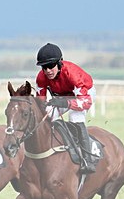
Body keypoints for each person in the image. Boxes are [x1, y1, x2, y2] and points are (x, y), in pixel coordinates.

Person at [35, 42, 96, 173]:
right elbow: (41, 101)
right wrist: (43, 106)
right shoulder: (41, 77)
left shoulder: (73, 74)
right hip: (63, 96)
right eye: (44, 67)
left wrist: (67, 103)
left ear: (60, 63)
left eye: (51, 66)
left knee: (75, 116)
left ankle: (87, 159)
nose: (47, 71)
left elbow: (85, 102)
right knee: (49, 116)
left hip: (84, 95)